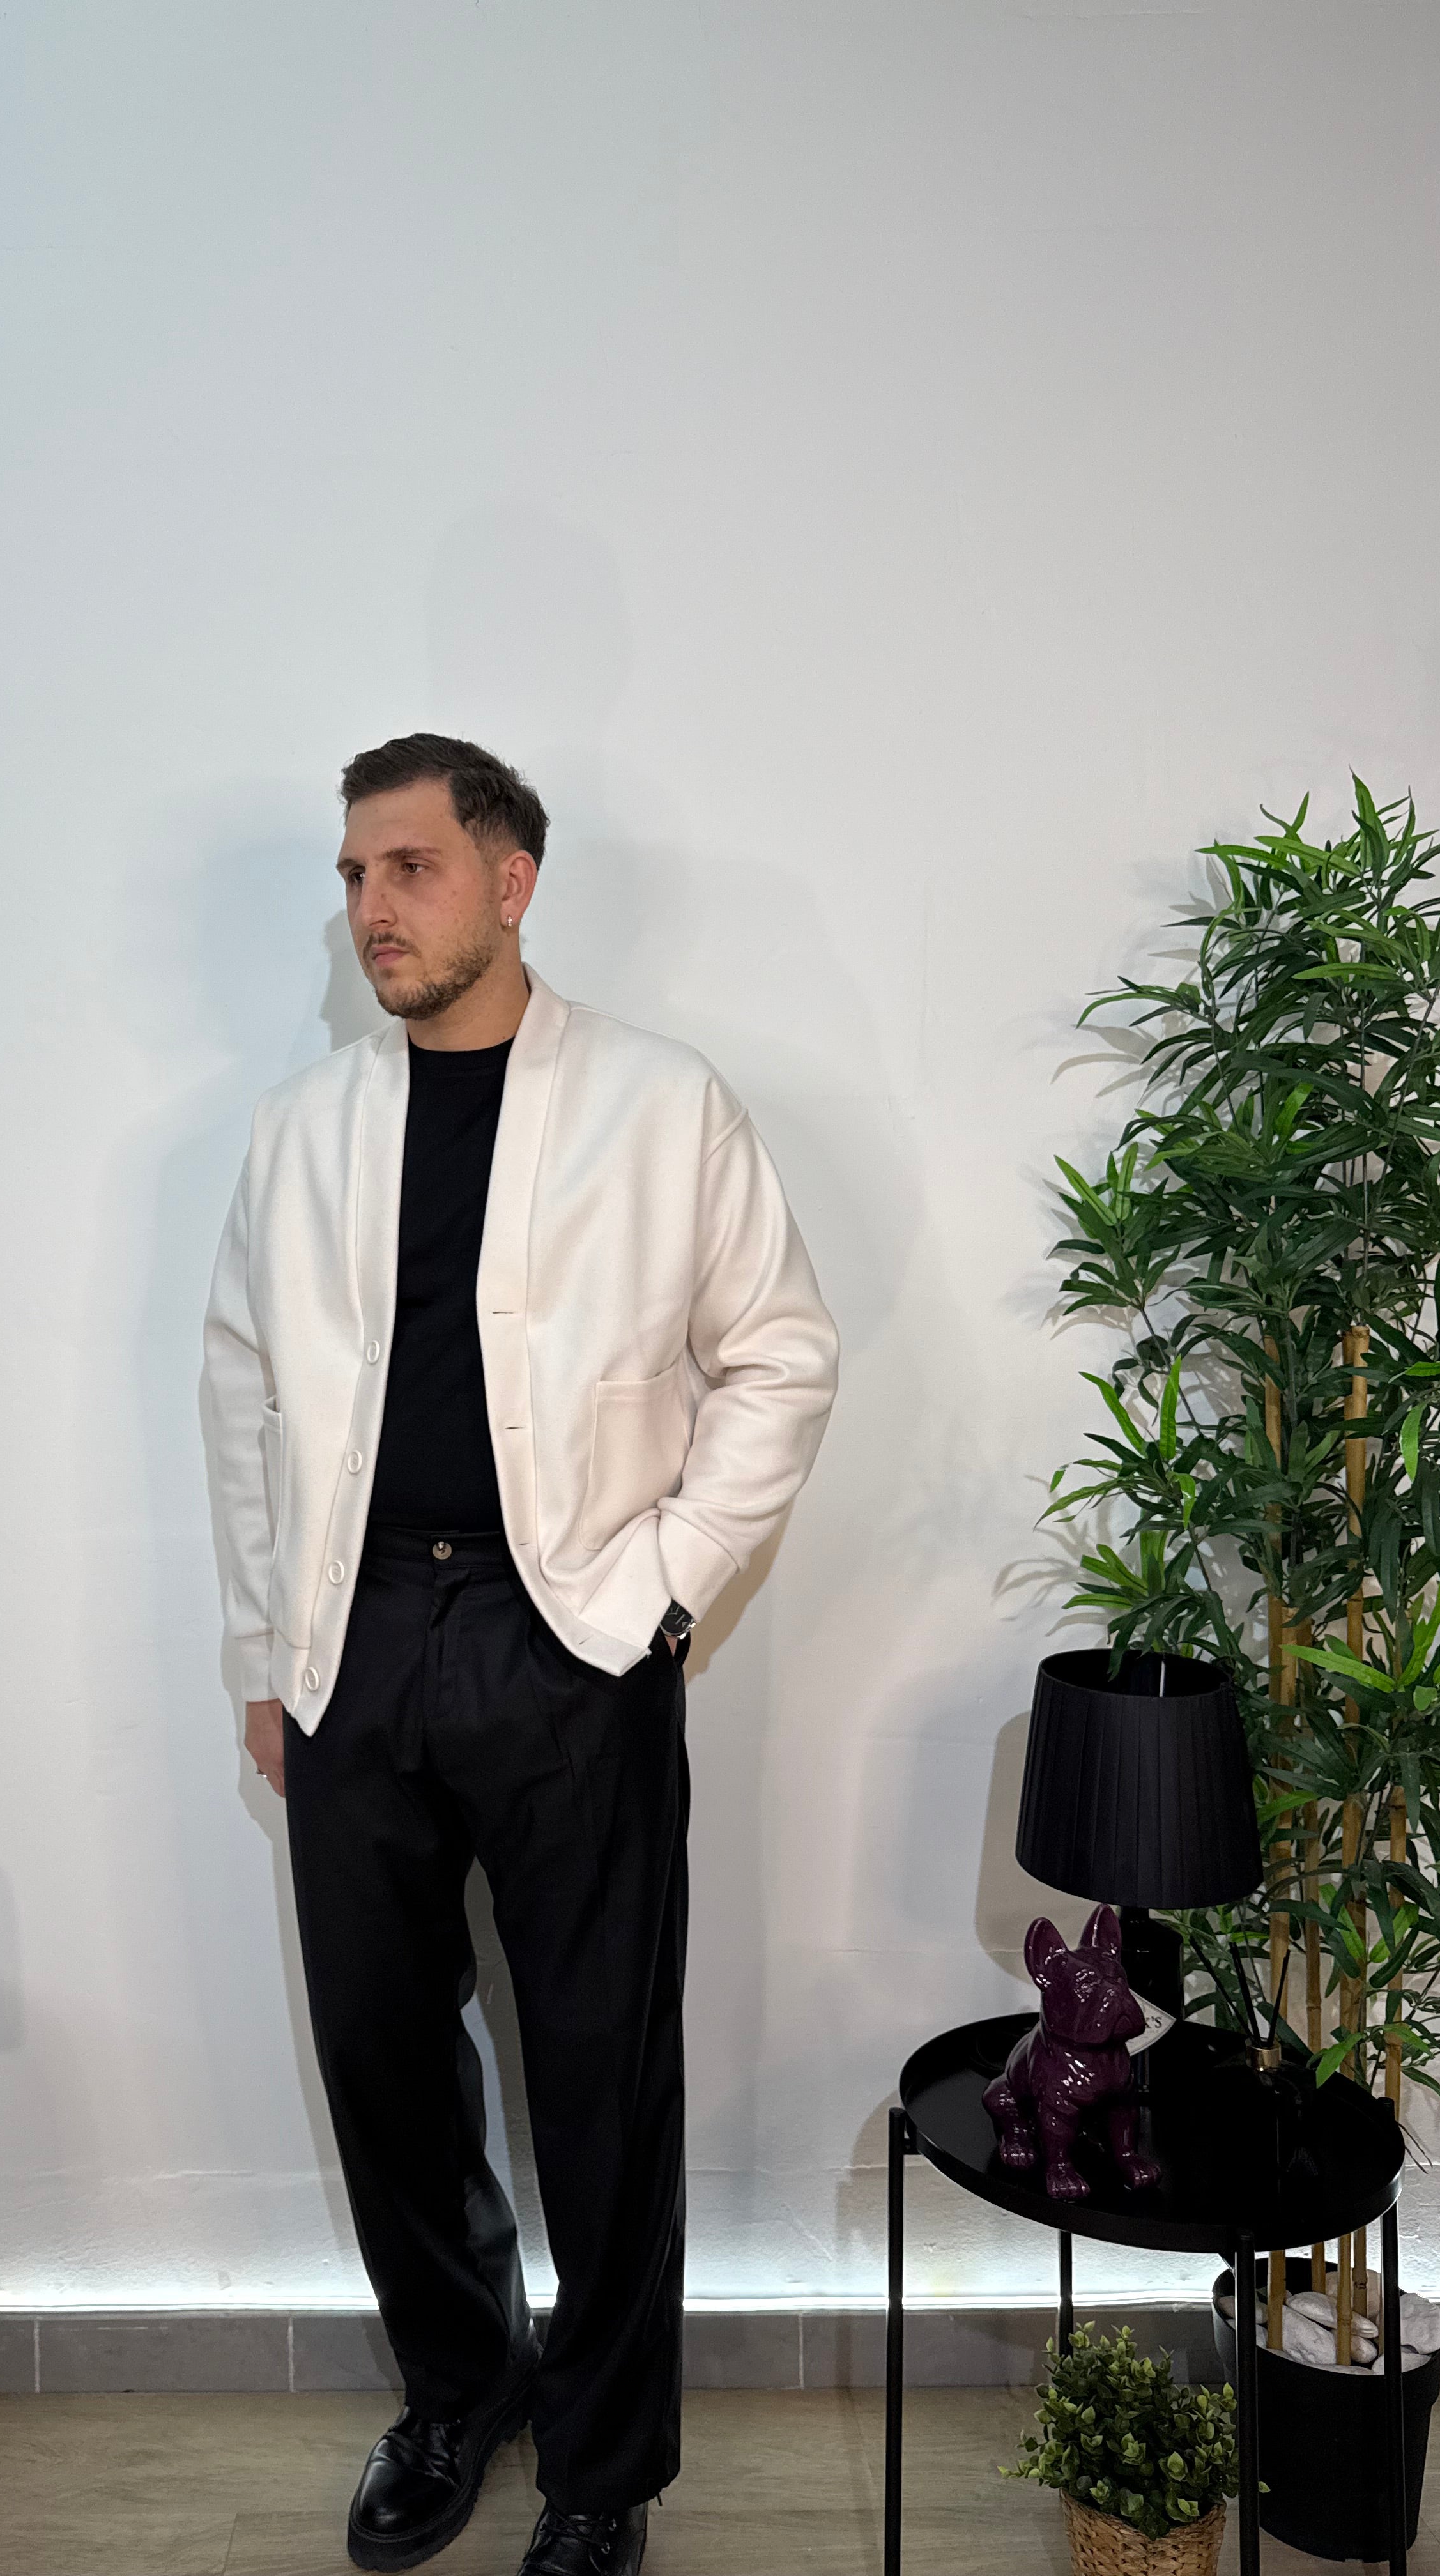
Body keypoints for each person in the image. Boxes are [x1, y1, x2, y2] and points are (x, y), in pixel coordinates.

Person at [202, 733, 841, 2576]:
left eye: (406, 868)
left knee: (599, 2069)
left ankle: (603, 2470)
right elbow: (240, 1392)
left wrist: (660, 1594)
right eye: (352, 876)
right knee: (379, 2053)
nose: (371, 908)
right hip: (352, 1642)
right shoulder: (303, 1129)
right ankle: (456, 2388)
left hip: (568, 1639)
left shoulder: (661, 1104)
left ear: (510, 880)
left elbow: (782, 1357)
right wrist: (265, 1649)